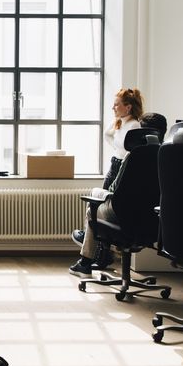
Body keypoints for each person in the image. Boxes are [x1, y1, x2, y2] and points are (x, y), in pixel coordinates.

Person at [69, 88, 145, 277]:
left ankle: (93, 253)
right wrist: (117, 123)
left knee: (98, 207)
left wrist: (120, 151)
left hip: (123, 167)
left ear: (128, 107)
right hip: (115, 163)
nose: (113, 107)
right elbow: (107, 135)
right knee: (98, 205)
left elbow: (130, 151)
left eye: (117, 104)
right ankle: (101, 254)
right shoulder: (122, 123)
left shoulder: (134, 126)